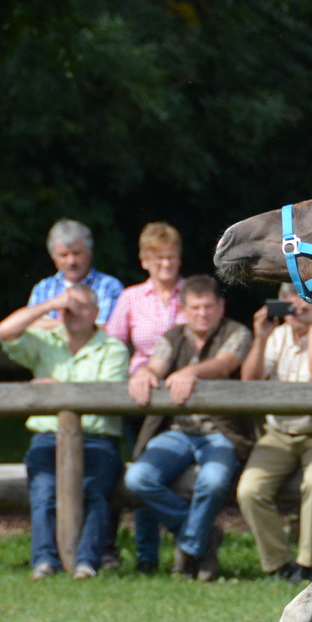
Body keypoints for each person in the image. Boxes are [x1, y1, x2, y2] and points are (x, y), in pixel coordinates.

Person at [0, 284, 130, 579]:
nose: (74, 314)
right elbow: (4, 331)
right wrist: (51, 304)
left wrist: (57, 390)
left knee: (94, 492)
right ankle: (44, 560)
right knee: (43, 493)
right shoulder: (46, 341)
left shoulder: (113, 348)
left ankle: (86, 561)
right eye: (68, 308)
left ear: (96, 313)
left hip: (98, 437)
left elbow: (105, 396)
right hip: (48, 436)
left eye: (82, 307)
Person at [123, 275, 252, 580]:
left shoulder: (237, 332)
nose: (202, 313)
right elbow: (156, 365)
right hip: (178, 433)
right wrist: (143, 375)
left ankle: (190, 547)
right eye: (195, 308)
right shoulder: (172, 337)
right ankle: (203, 538)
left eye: (208, 306)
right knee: (138, 478)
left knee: (214, 480)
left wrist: (190, 372)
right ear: (183, 310)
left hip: (220, 433)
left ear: (220, 306)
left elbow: (226, 363)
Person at [106, 222, 188, 571]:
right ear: (145, 261)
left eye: (171, 257)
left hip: (185, 397)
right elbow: (112, 345)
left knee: (178, 477)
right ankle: (147, 555)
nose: (166, 265)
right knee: (143, 471)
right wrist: (133, 375)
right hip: (143, 397)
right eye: (158, 259)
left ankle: (187, 552)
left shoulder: (194, 295)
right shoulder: (130, 298)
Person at [237, 283, 312, 584]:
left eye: (300, 302)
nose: (293, 309)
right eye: (286, 303)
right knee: (249, 490)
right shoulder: (275, 337)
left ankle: (306, 564)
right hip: (277, 432)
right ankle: (278, 564)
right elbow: (249, 381)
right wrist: (261, 336)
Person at [28, 219, 123, 326]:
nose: (71, 261)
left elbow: (109, 331)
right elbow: (30, 327)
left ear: (89, 253)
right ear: (53, 258)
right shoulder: (42, 288)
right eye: (64, 255)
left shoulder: (109, 287)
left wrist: (51, 325)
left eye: (77, 253)